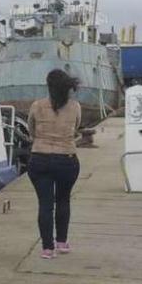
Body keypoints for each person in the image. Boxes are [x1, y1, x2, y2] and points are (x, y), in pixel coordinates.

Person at [27, 69, 82, 259]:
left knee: (45, 204)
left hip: (40, 158)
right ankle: (62, 242)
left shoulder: (37, 105)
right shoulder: (75, 106)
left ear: (49, 86)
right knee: (63, 200)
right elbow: (75, 129)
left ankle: (47, 248)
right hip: (66, 160)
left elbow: (31, 130)